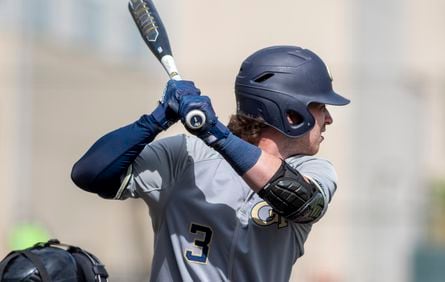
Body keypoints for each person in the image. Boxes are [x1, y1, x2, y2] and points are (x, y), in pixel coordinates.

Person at [71, 45, 350, 282]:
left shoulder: (312, 170)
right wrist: (158, 118)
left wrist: (215, 133)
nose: (328, 119)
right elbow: (89, 173)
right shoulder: (186, 156)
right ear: (292, 113)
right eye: (320, 107)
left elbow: (300, 200)